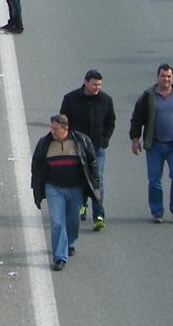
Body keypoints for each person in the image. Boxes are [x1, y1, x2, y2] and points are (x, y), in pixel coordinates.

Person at [30, 114, 101, 271]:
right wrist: (37, 187)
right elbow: (36, 166)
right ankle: (60, 257)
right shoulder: (44, 144)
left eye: (55, 128)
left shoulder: (81, 141)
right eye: (51, 127)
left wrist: (94, 184)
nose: (52, 131)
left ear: (65, 129)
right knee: (57, 222)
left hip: (75, 188)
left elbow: (92, 162)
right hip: (54, 188)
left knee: (72, 221)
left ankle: (69, 242)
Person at [128, 64, 173, 224]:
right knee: (154, 180)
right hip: (155, 145)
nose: (166, 79)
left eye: (168, 76)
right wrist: (135, 139)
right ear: (157, 77)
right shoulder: (147, 96)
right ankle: (157, 211)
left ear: (172, 78)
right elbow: (137, 119)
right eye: (163, 76)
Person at [60, 69, 116, 231]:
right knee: (79, 179)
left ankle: (99, 216)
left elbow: (110, 121)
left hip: (97, 148)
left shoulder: (106, 100)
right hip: (76, 147)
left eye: (99, 84)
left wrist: (105, 139)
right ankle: (81, 207)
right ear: (86, 82)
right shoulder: (70, 99)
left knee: (97, 180)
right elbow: (63, 122)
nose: (97, 87)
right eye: (94, 84)